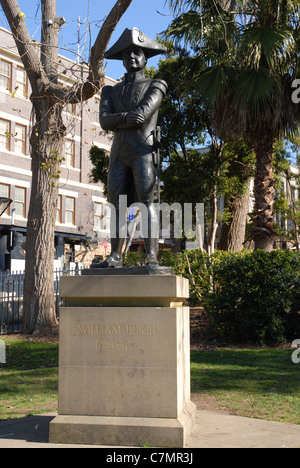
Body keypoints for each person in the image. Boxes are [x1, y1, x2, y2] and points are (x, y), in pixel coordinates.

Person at [97, 28, 167, 268]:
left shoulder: (156, 85)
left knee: (147, 203)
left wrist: (120, 118)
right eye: (127, 55)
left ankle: (151, 256)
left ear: (145, 58)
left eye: (137, 53)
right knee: (116, 205)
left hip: (143, 152)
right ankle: (115, 256)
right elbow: (104, 121)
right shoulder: (110, 90)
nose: (132, 58)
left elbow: (142, 115)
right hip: (118, 155)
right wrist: (126, 117)